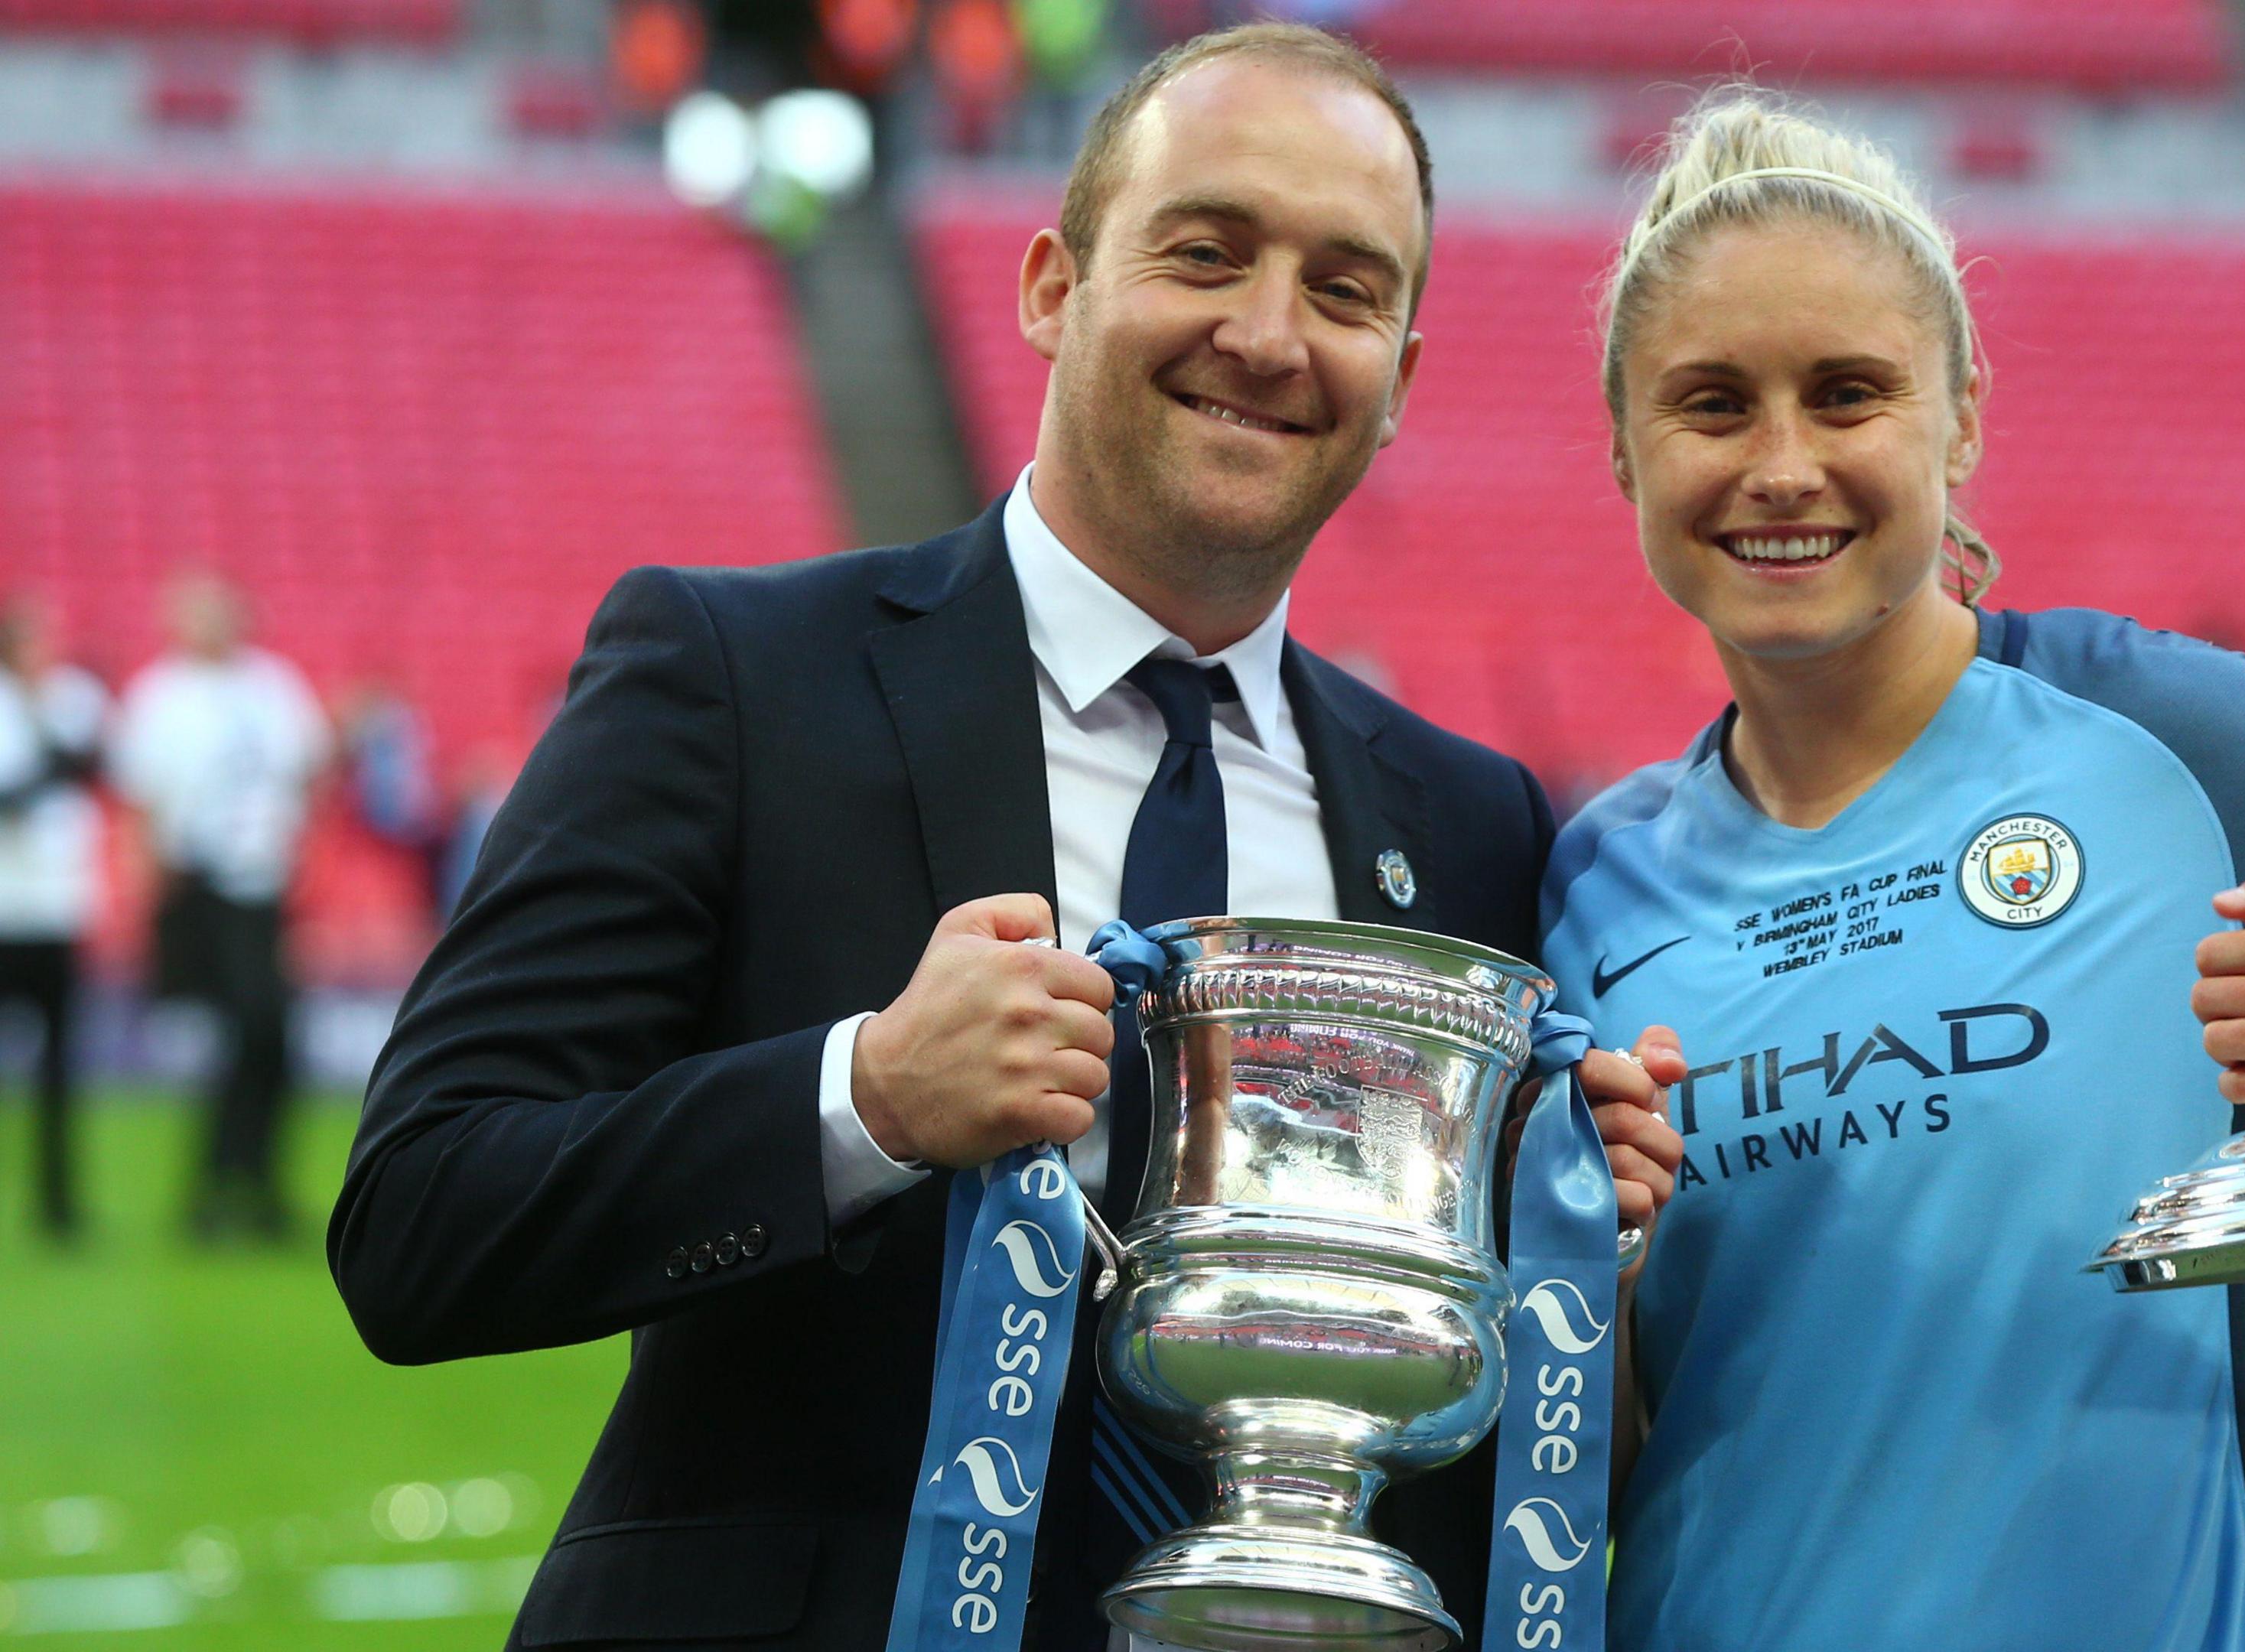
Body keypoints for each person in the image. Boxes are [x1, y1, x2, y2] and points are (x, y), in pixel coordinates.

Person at [330, 24, 1684, 1652]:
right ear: (1053, 286)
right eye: (1206, 252)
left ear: (1399, 377)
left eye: (1345, 290)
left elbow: (1470, 1450)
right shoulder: (734, 677)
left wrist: (1562, 1238)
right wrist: (867, 1100)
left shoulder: (1465, 822)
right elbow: (420, 1220)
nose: (1267, 334)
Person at [1537, 93, 2245, 1650]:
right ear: (1623, 447)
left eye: (1851, 394)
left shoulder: (2189, 743)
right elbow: (1590, 1475)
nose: (1783, 464)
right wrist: (1585, 1276)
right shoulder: (1592, 886)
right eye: (1714, 404)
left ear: (1962, 417)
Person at [110, 574, 329, 1244]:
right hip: (199, 885)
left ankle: (245, 1182)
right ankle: (221, 1185)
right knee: (242, 1032)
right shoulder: (159, 695)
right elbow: (141, 800)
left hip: (262, 884)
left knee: (269, 1037)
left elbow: (310, 767)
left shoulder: (274, 686)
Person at [0, 596, 109, 1242]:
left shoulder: (74, 699)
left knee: (60, 1067)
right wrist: (51, 768)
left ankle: (58, 1205)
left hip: (59, 908)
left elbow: (100, 763)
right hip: (5, 907)